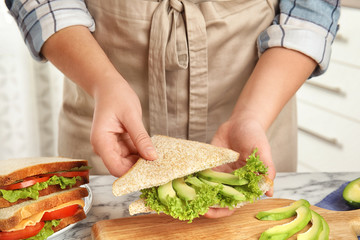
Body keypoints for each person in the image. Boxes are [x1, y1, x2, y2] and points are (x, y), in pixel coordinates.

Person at [6, 0, 340, 218]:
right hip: (104, 110)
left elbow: (311, 12)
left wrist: (250, 117)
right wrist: (102, 83)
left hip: (257, 104)